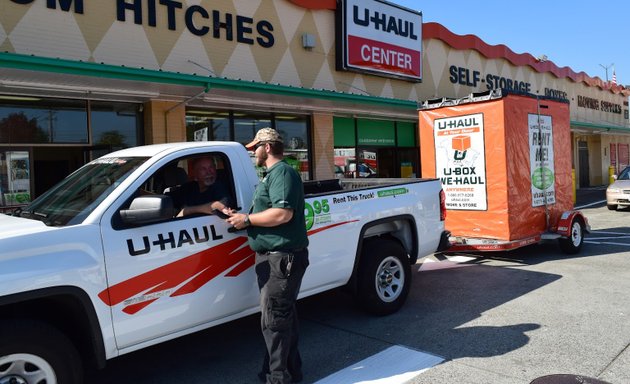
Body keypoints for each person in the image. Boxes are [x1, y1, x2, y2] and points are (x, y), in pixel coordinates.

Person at [226, 128, 309, 384]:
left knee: (274, 322)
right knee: (282, 318)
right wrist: (240, 217)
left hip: (281, 258)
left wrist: (247, 219)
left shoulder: (282, 173)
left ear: (268, 147)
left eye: (255, 149)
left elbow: (283, 214)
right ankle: (291, 371)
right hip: (273, 258)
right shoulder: (272, 175)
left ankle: (277, 378)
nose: (253, 154)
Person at [166, 156, 232, 216]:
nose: (209, 172)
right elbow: (166, 200)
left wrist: (187, 210)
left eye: (211, 167)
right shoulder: (189, 188)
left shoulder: (219, 187)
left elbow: (221, 206)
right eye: (203, 169)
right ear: (195, 173)